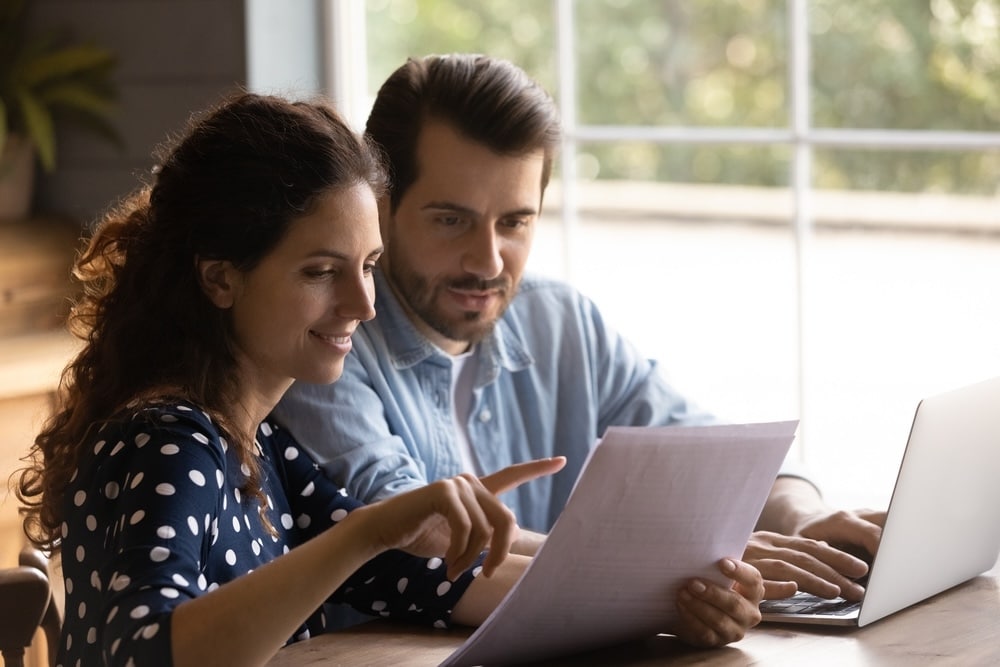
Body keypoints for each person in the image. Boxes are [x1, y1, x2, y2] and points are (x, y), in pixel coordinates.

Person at [15, 92, 764, 667]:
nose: (363, 304)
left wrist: (681, 590)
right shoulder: (163, 439)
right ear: (219, 277)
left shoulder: (255, 440)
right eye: (321, 272)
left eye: (368, 266)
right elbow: (147, 653)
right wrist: (369, 533)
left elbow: (426, 578)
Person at [273, 53, 886, 604]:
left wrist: (804, 519)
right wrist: (673, 568)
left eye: (514, 222)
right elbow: (412, 529)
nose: (488, 261)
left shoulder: (561, 321)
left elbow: (710, 456)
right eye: (451, 220)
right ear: (380, 206)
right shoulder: (329, 344)